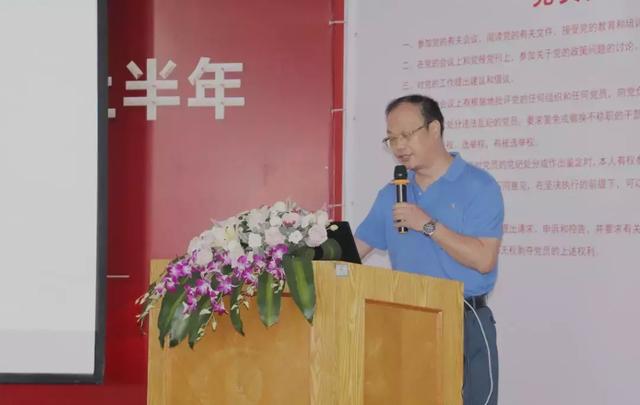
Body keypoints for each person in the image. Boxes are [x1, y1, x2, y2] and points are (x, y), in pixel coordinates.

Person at [355, 94, 504, 405]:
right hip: (405, 322)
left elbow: (484, 259)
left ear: (434, 129)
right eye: (391, 138)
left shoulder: (478, 185)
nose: (398, 146)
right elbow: (353, 252)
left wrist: (427, 225)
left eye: (406, 135)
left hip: (463, 321)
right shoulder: (391, 194)